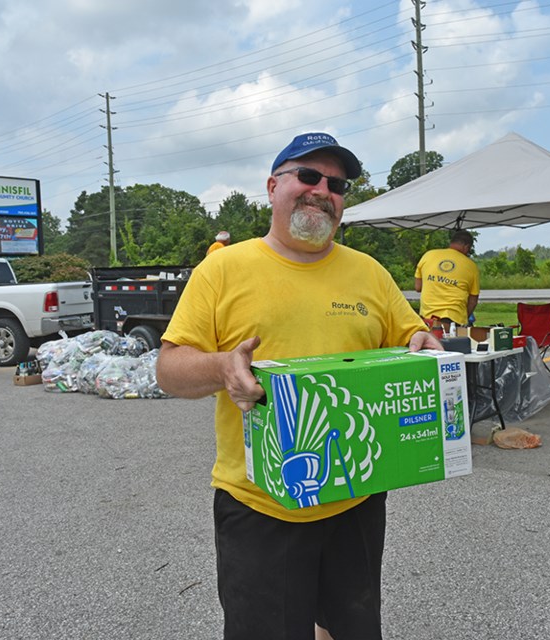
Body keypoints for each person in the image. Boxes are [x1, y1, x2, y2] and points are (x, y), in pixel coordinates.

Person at [157, 132, 442, 640]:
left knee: (353, 626)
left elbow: (411, 335)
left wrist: (422, 340)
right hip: (259, 502)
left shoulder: (369, 273)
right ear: (272, 186)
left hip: (355, 497)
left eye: (337, 183)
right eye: (307, 176)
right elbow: (169, 368)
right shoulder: (222, 269)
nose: (321, 190)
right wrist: (224, 367)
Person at [414, 229, 480, 333]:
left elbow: (418, 287)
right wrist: (463, 316)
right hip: (455, 321)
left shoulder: (428, 255)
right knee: (458, 347)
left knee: (428, 347)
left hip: (427, 319)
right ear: (466, 247)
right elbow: (473, 300)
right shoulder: (471, 266)